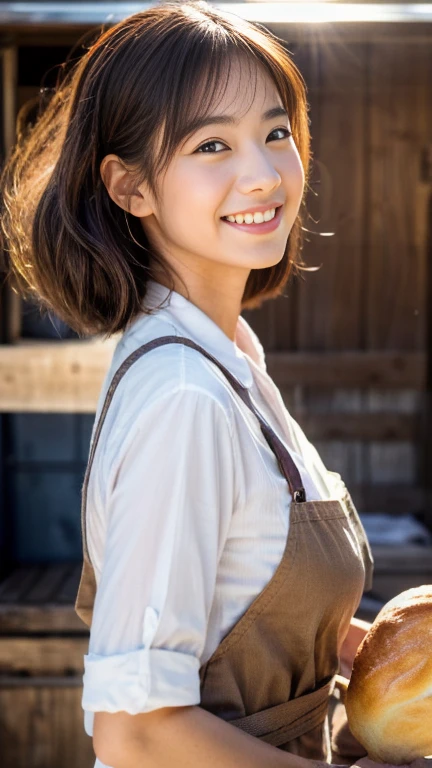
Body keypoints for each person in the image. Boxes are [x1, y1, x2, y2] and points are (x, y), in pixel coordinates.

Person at [0, 3, 429, 768]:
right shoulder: (185, 401)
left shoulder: (226, 357)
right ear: (130, 187)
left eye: (275, 133)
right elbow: (136, 733)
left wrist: (379, 658)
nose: (264, 173)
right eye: (211, 145)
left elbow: (243, 600)